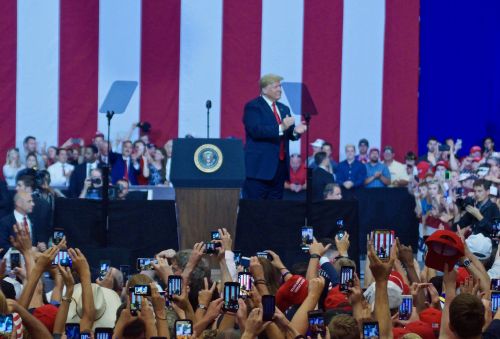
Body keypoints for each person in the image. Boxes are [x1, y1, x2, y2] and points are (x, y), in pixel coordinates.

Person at [242, 74, 307, 200]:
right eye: (275, 87)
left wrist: (296, 132)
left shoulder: (284, 108)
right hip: (259, 170)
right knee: (255, 211)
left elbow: (288, 134)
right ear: (264, 89)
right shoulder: (253, 106)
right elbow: (256, 131)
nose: (279, 90)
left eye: (280, 86)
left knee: (275, 212)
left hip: (279, 170)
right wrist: (282, 127)